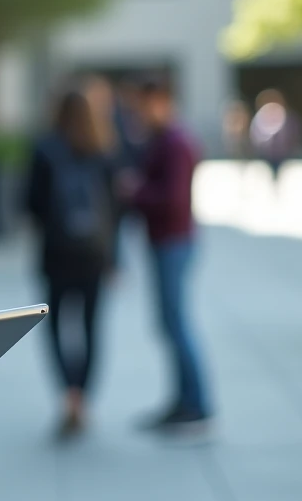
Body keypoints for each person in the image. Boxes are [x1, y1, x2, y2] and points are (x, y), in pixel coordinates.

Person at [25, 89, 118, 439]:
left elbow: (30, 204)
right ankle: (83, 397)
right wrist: (114, 258)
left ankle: (68, 395)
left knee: (56, 327)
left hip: (56, 254)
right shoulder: (103, 149)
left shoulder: (45, 148)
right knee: (92, 328)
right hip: (94, 255)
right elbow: (116, 212)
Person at [123, 77, 213, 434]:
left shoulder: (175, 141)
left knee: (176, 324)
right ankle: (184, 402)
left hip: (173, 241)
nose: (140, 115)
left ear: (160, 101)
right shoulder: (165, 139)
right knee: (170, 323)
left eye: (143, 107)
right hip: (169, 240)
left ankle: (197, 405)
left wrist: (135, 191)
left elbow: (171, 198)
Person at [249, 88, 302, 184]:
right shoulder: (260, 117)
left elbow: (294, 134)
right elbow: (256, 135)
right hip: (265, 156)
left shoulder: (289, 118)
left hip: (285, 156)